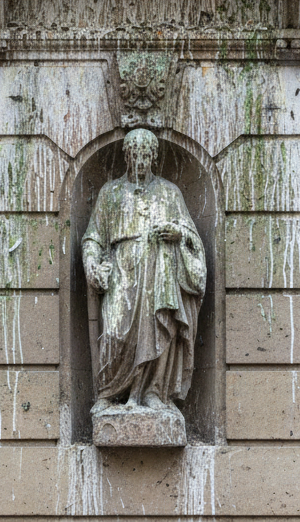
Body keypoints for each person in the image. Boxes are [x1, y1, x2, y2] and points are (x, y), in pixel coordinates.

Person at [82, 128, 206, 418]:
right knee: (114, 332)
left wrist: (178, 234)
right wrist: (92, 266)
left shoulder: (169, 192)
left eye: (145, 155)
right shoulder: (110, 192)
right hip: (121, 272)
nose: (140, 161)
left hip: (160, 271)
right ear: (126, 156)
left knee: (160, 327)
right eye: (135, 155)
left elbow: (193, 238)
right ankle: (108, 393)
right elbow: (93, 238)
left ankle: (154, 391)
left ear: (153, 157)